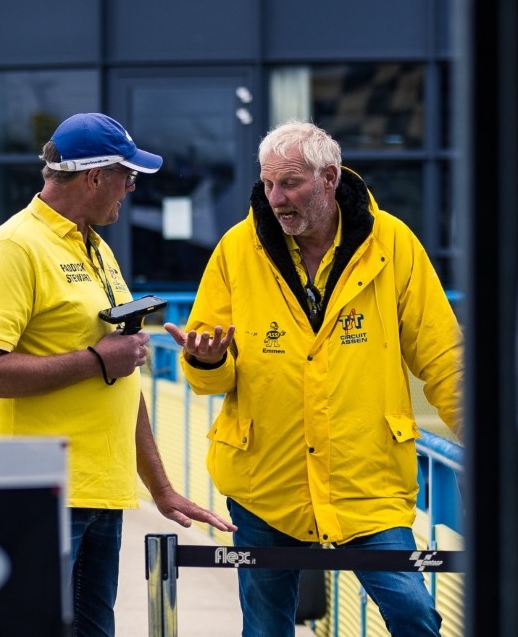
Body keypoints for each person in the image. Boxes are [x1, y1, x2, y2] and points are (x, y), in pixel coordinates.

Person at [165, 119, 463, 636]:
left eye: (290, 183)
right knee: (265, 627)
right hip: (265, 483)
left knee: (413, 613)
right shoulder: (238, 249)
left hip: (367, 482)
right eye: (267, 184)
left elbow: (443, 358)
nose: (275, 197)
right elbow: (208, 380)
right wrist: (208, 361)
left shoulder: (394, 243)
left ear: (329, 178)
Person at [0, 112, 235, 637]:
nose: (131, 189)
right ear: (94, 177)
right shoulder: (13, 248)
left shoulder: (96, 247)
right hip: (39, 490)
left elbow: (120, 378)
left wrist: (160, 487)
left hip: (100, 490)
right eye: (128, 176)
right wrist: (95, 360)